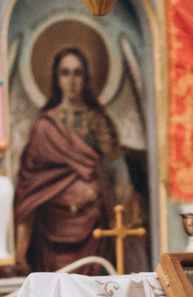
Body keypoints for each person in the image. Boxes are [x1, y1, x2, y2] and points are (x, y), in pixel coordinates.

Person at [14, 45, 125, 270]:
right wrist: (20, 248)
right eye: (65, 73)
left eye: (77, 73)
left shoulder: (99, 121)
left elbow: (117, 173)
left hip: (95, 228)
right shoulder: (44, 128)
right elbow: (30, 189)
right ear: (57, 79)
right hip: (52, 229)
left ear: (85, 78)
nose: (72, 80)